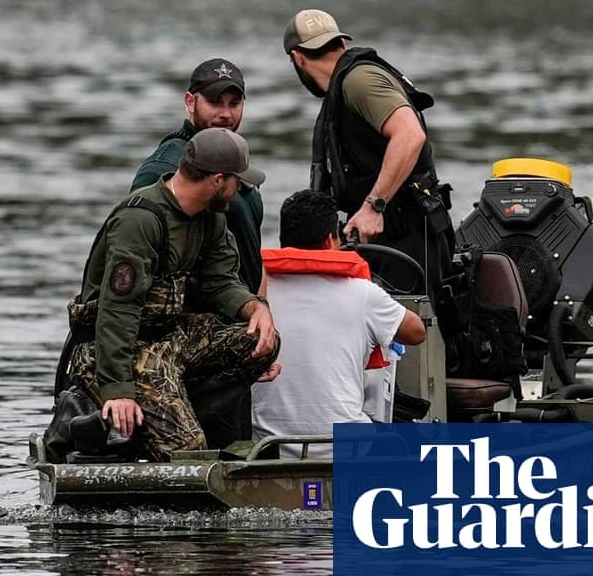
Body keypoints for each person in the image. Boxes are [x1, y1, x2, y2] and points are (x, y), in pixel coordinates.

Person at [65, 128, 281, 461]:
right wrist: (118, 390)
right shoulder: (140, 220)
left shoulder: (210, 219)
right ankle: (98, 425)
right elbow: (117, 311)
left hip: (168, 343)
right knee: (188, 452)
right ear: (217, 180)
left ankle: (168, 413)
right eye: (238, 181)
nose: (241, 189)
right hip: (110, 351)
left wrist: (256, 308)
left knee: (261, 340)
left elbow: (222, 282)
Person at [130, 58, 269, 449]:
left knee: (234, 451)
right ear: (190, 102)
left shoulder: (235, 164)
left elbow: (247, 255)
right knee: (201, 452)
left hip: (230, 331)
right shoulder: (166, 168)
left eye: (234, 103)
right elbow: (141, 263)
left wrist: (258, 316)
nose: (225, 114)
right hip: (188, 344)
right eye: (215, 102)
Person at [283, 9, 455, 303]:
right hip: (387, 238)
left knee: (409, 341)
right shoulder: (344, 86)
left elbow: (410, 135)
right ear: (339, 44)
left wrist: (374, 205)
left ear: (297, 58)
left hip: (408, 237)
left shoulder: (358, 81)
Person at [252, 190, 426, 457]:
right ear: (330, 239)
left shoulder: (254, 294)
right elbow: (416, 332)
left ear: (282, 240)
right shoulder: (362, 293)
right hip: (347, 448)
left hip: (268, 449)